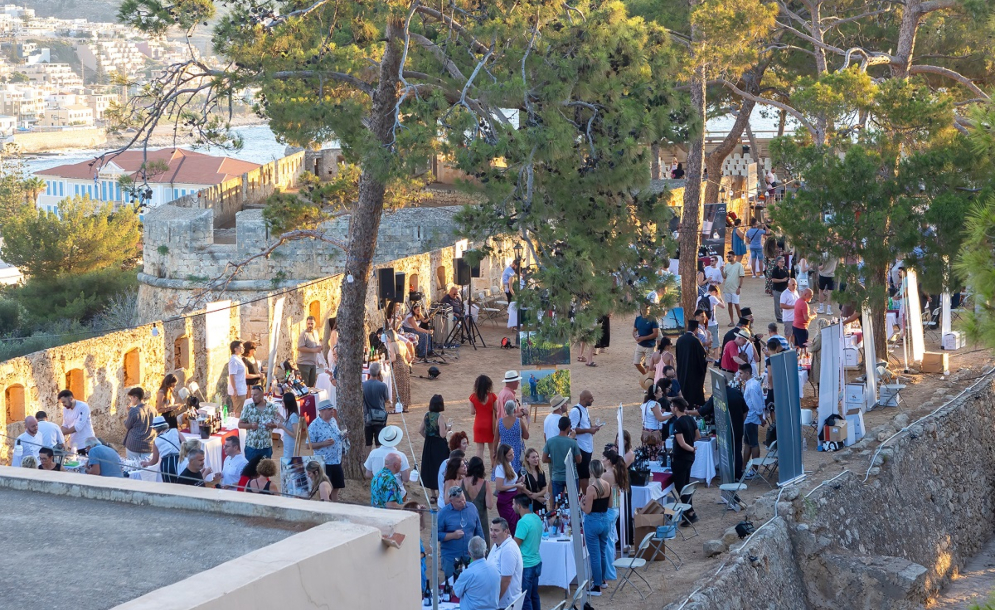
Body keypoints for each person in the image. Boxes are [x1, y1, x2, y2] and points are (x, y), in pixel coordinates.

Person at [582, 460, 614, 596]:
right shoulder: (608, 485)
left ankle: (596, 586)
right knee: (602, 552)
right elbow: (610, 505)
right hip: (605, 520)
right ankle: (603, 580)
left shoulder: (591, 488)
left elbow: (587, 510)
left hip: (593, 522)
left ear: (591, 471)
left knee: (595, 555)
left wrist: (580, 504)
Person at [439, 485, 485, 577]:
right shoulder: (443, 513)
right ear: (451, 501)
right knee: (452, 582)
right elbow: (435, 535)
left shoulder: (472, 508)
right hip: (451, 557)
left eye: (463, 499)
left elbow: (479, 530)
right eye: (459, 501)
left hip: (470, 556)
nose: (463, 503)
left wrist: (483, 548)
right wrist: (453, 535)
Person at [600, 447, 630, 581]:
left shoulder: (607, 475)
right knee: (610, 541)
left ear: (608, 461)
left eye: (603, 458)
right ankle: (610, 570)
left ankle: (609, 572)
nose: (602, 460)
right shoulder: (616, 472)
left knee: (607, 544)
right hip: (615, 508)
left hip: (609, 510)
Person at [308, 399, 347, 501]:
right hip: (325, 462)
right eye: (329, 409)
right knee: (326, 488)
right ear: (322, 411)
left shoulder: (333, 420)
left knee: (336, 486)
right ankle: (327, 505)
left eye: (332, 409)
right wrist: (323, 443)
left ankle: (335, 504)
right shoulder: (314, 426)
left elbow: (337, 434)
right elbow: (308, 445)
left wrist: (342, 435)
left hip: (336, 460)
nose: (332, 411)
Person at [669, 398, 699, 523]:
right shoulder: (690, 419)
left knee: (680, 486)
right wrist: (691, 445)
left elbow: (681, 443)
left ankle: (690, 512)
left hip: (681, 458)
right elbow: (698, 435)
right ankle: (688, 511)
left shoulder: (678, 423)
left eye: (672, 406)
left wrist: (691, 448)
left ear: (676, 408)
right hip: (689, 458)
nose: (671, 408)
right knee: (686, 485)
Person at [513, 494, 543, 610]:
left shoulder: (522, 522)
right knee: (534, 595)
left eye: (513, 504)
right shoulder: (536, 517)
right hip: (536, 562)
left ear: (519, 506)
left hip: (526, 565)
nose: (512, 507)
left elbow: (515, 545)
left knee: (525, 598)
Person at [454, 536, 501, 610]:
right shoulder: (495, 569)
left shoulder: (468, 573)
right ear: (485, 551)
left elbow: (456, 592)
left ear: (469, 553)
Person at [487, 518, 523, 610]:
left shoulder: (508, 549)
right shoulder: (497, 544)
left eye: (496, 530)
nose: (492, 533)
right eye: (491, 530)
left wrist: (494, 601)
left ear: (506, 531)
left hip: (505, 604)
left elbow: (506, 580)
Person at [365, 426, 411, 498]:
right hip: (396, 492)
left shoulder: (373, 453)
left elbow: (368, 474)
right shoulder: (401, 456)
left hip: (378, 492)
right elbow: (406, 479)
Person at [421, 394, 451, 503]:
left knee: (430, 467)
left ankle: (433, 495)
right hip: (439, 445)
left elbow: (420, 430)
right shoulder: (440, 417)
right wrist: (448, 429)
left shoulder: (426, 415)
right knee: (440, 468)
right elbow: (442, 434)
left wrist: (428, 438)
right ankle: (439, 494)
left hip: (429, 444)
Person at [569, 390, 601, 491]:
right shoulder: (575, 411)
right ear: (583, 399)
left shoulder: (585, 409)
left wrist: (593, 428)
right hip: (581, 446)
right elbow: (572, 429)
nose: (592, 400)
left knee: (584, 473)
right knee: (584, 475)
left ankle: (582, 496)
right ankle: (584, 496)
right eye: (590, 398)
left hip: (587, 446)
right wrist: (589, 430)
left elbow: (584, 425)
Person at [542, 416, 581, 498]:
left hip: (557, 476)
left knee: (558, 502)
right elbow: (579, 460)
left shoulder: (550, 441)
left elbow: (544, 459)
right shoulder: (572, 442)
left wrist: (555, 459)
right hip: (571, 476)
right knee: (574, 501)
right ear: (568, 427)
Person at [239, 385, 279, 461]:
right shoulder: (248, 408)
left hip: (266, 446)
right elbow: (240, 424)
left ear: (262, 394)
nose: (253, 397)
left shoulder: (272, 408)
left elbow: (278, 423)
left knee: (265, 468)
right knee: (251, 468)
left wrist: (272, 425)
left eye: (255, 395)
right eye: (252, 395)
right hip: (252, 446)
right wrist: (250, 425)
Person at [675, 321, 708, 408]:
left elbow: (677, 356)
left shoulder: (680, 340)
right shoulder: (695, 340)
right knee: (693, 391)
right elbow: (702, 356)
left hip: (682, 370)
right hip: (693, 372)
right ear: (696, 329)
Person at [493, 443, 523, 534]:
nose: (513, 456)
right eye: (510, 455)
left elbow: (509, 481)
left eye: (513, 453)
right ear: (504, 456)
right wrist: (516, 485)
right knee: (511, 525)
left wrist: (518, 481)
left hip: (512, 497)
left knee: (515, 523)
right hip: (506, 500)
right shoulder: (500, 468)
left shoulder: (508, 464)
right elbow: (499, 487)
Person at [741, 363, 765, 479]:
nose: (739, 375)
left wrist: (761, 418)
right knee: (747, 443)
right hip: (749, 418)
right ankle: (744, 467)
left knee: (753, 443)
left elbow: (757, 404)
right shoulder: (750, 384)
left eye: (741, 373)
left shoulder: (752, 386)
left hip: (752, 418)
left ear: (747, 373)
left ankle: (754, 470)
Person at [142, 416, 182, 482]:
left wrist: (147, 463)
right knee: (182, 483)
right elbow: (186, 444)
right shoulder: (175, 431)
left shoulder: (156, 440)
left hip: (166, 463)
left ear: (155, 428)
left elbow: (154, 460)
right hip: (179, 460)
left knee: (169, 484)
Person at [122, 387, 156, 462]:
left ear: (136, 397)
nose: (131, 400)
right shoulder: (153, 410)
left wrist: (128, 414)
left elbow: (127, 425)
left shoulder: (134, 411)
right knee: (147, 468)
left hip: (134, 445)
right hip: (148, 445)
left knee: (132, 467)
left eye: (131, 398)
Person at [470, 374, 499, 464]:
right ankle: (493, 466)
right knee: (492, 448)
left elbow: (472, 412)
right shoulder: (492, 396)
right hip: (490, 425)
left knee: (479, 449)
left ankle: (479, 468)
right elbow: (497, 409)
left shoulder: (473, 397)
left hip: (478, 424)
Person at [363, 361, 390, 453]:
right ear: (379, 373)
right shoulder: (383, 385)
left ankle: (367, 460)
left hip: (367, 417)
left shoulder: (363, 385)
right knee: (379, 443)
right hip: (380, 418)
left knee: (368, 444)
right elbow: (386, 399)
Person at [497, 399, 529, 474]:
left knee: (503, 471)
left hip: (504, 450)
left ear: (505, 409)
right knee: (517, 472)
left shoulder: (500, 422)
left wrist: (495, 452)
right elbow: (526, 436)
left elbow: (496, 439)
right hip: (516, 450)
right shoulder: (519, 421)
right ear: (514, 409)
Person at [463, 456, 495, 526]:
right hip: (481, 520)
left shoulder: (462, 482)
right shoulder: (485, 484)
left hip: (465, 519)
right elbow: (490, 505)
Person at [640, 381, 671, 446]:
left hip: (646, 431)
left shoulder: (646, 403)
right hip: (654, 433)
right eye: (660, 391)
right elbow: (660, 418)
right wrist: (672, 415)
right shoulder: (654, 404)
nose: (662, 393)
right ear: (655, 394)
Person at [632, 304, 659, 375]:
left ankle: (648, 378)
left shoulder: (653, 319)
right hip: (640, 345)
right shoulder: (638, 319)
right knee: (636, 363)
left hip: (650, 345)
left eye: (647, 309)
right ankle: (645, 376)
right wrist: (635, 337)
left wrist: (643, 338)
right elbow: (634, 330)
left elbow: (655, 334)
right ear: (641, 310)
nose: (645, 311)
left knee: (649, 366)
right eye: (643, 309)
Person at [520, 448, 547, 515]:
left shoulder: (541, 472)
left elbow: (544, 488)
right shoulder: (523, 472)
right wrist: (538, 498)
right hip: (529, 503)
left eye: (537, 456)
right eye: (533, 457)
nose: (536, 459)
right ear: (527, 459)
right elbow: (523, 489)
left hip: (541, 503)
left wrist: (537, 496)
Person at [297, 315, 322, 387]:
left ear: (315, 324)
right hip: (304, 364)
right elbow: (300, 348)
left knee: (311, 386)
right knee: (305, 386)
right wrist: (313, 350)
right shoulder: (303, 334)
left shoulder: (316, 333)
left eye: (312, 324)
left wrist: (320, 347)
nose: (310, 325)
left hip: (313, 363)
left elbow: (316, 345)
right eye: (308, 324)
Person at [809, 317, 832, 386]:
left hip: (819, 359)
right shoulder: (828, 335)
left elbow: (815, 347)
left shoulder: (820, 336)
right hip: (825, 358)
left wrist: (810, 345)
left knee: (819, 378)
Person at [227, 340, 248, 415]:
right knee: (239, 410)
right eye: (241, 347)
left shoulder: (239, 359)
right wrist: (235, 389)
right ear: (235, 349)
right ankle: (237, 422)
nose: (243, 349)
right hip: (238, 389)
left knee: (241, 409)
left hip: (241, 388)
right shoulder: (234, 360)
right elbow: (232, 375)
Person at [279, 392, 302, 460]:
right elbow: (288, 425)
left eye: (283, 401)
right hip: (288, 445)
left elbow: (296, 435)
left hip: (291, 446)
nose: (282, 403)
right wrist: (280, 417)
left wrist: (282, 427)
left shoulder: (293, 416)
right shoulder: (290, 414)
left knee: (289, 463)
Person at [780, 278, 800, 345]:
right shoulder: (784, 294)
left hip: (795, 318)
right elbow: (782, 305)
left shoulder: (796, 292)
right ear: (788, 285)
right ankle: (787, 347)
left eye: (796, 285)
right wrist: (793, 307)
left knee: (794, 334)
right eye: (793, 284)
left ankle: (793, 347)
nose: (795, 286)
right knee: (788, 335)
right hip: (788, 318)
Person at [706, 285, 725, 355]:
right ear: (714, 291)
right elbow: (723, 306)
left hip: (703, 323)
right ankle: (716, 358)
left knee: (705, 340)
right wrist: (720, 299)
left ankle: (706, 355)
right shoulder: (712, 298)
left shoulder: (700, 297)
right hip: (712, 323)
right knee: (715, 342)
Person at [770, 256, 790, 322]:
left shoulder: (785, 268)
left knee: (785, 303)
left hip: (784, 289)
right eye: (781, 261)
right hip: (777, 289)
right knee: (777, 305)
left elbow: (788, 277)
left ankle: (784, 316)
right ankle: (779, 317)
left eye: (783, 261)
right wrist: (782, 280)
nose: (783, 263)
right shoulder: (775, 270)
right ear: (778, 262)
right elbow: (773, 280)